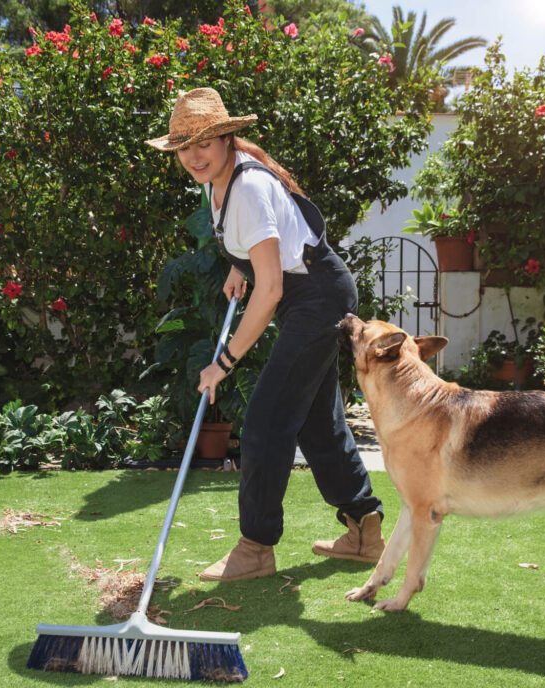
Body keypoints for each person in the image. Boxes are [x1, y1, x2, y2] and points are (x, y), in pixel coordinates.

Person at [146, 88, 384, 582]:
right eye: (184, 145)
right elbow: (267, 254)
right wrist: (241, 268)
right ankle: (365, 528)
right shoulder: (217, 182)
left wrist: (224, 361)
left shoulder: (248, 186)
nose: (193, 155)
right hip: (306, 293)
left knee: (265, 421)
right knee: (316, 421)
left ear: (227, 138)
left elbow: (272, 287)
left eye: (204, 142)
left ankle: (255, 548)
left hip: (316, 298)